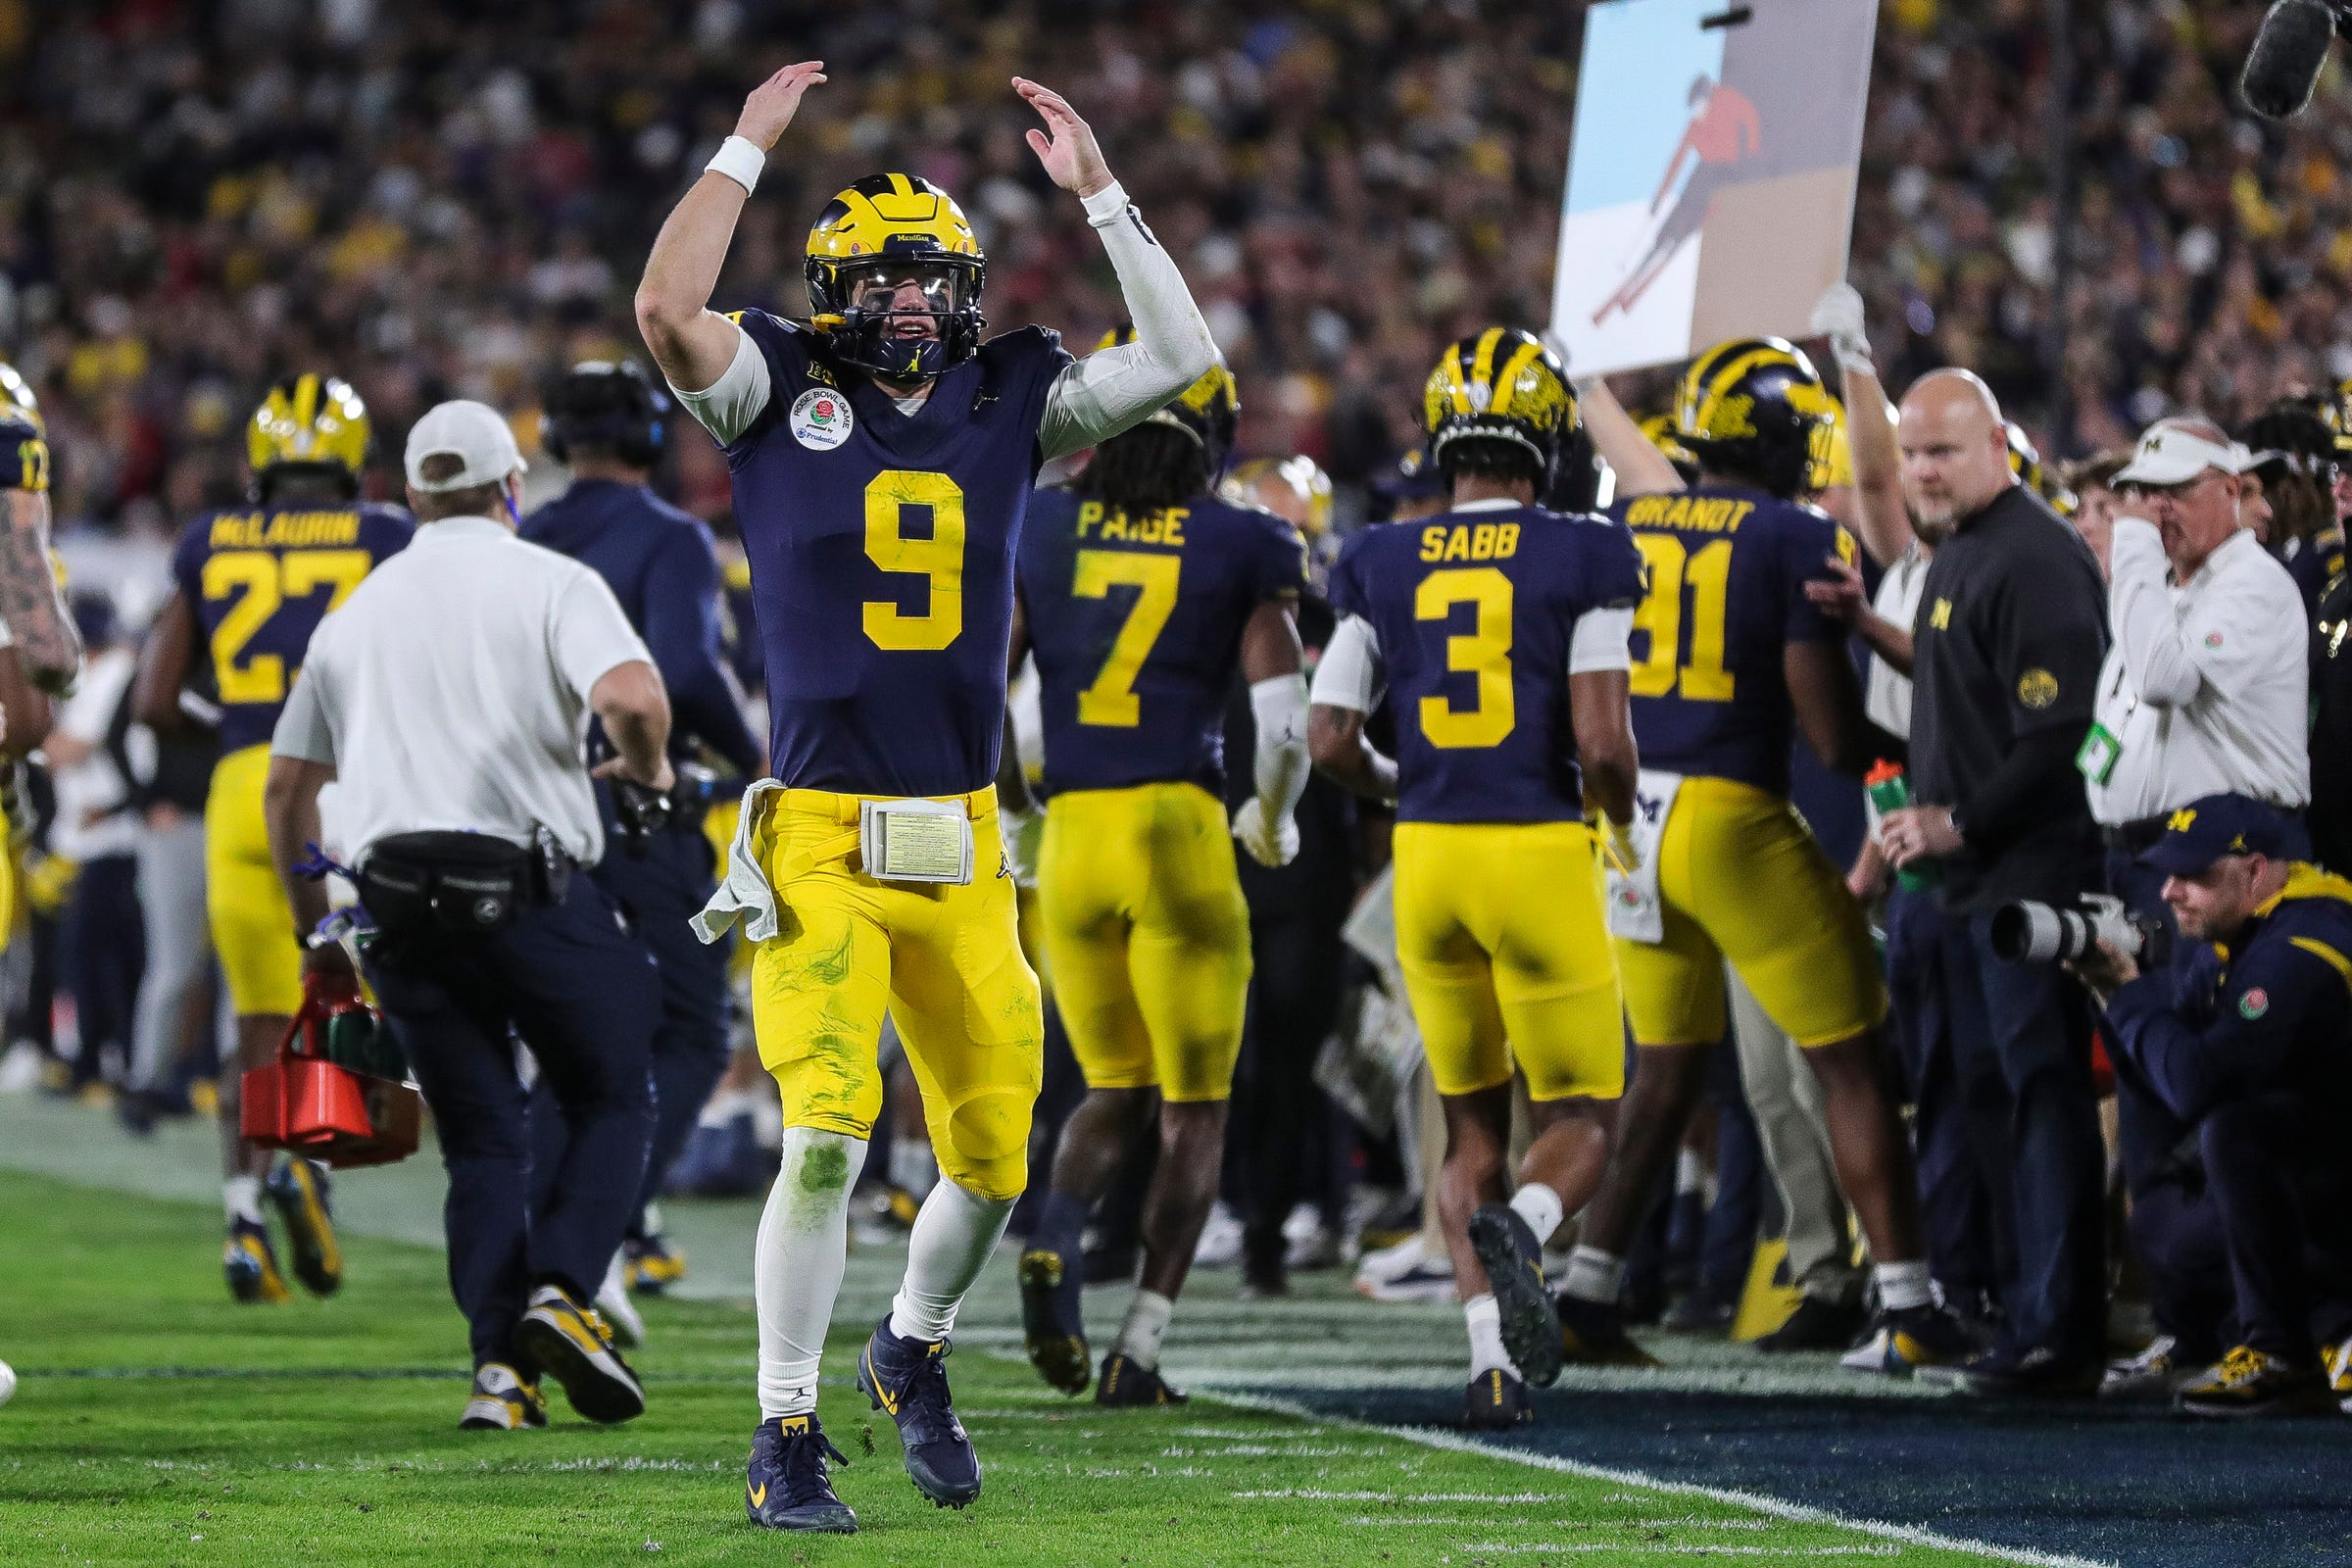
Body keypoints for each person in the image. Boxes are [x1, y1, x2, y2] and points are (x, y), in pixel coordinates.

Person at [634, 63, 1216, 1532]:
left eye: (931, 278)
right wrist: (744, 147)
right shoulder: (775, 387)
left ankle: (911, 1347)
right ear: (835, 291)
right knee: (827, 1132)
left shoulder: (1017, 397)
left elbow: (1182, 353)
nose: (908, 302)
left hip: (963, 840)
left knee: (995, 1159)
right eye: (884, 280)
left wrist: (1101, 192)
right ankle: (783, 1427)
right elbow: (662, 312)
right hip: (820, 836)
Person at [1554, 336, 1959, 1376]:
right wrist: (1923, 745)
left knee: (1666, 1068)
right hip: (1731, 814)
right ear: (1786, 439)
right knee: (1851, 1057)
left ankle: (1588, 1288)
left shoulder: (1629, 519)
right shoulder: (1792, 537)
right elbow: (1827, 736)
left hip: (1630, 821)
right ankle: (1909, 1298)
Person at [264, 399, 669, 1433]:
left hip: (394, 901)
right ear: (510, 489)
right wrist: (650, 770)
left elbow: (288, 791)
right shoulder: (551, 580)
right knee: (614, 1088)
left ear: (408, 494)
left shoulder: (354, 611)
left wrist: (319, 932)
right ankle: (566, 1292)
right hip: (526, 884)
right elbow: (634, 698)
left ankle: (499, 1373)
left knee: (484, 1140)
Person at [1309, 327, 1644, 1428]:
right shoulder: (1589, 552)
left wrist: (1406, 786)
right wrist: (1618, 824)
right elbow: (1602, 744)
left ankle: (1489, 1363)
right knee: (1587, 1114)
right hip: (1541, 848)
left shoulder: (1378, 556)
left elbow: (1326, 739)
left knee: (1470, 1133)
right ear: (1546, 441)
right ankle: (1532, 1229)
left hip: (1431, 857)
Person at [1008, 342, 1309, 1404]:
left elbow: (989, 688)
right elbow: (1281, 723)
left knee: (1110, 1088)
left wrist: (1011, 803)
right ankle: (1141, 1346)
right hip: (1180, 824)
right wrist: (1270, 818)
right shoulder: (1243, 538)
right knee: (1195, 1106)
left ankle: (1053, 1233)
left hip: (1075, 837)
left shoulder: (1038, 523)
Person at [133, 374, 412, 1301]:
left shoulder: (209, 539)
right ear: (349, 462)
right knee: (341, 994)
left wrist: (231, 724)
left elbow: (152, 700)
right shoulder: (383, 536)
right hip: (340, 782)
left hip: (240, 780)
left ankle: (243, 1222)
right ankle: (313, 1166)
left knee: (255, 1025)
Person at [1878, 368, 2112, 1396]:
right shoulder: (1964, 550)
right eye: (1913, 453)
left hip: (2031, 875)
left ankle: (2061, 1329)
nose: (1924, 470)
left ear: (1999, 448)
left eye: (1943, 451)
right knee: (1991, 1101)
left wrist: (1959, 818)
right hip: (1972, 880)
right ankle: (2026, 1316)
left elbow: (2059, 736)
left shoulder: (2032, 558)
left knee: (2040, 1097)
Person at [521, 358, 764, 1328]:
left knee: (569, 1038)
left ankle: (550, 1237)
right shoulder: (669, 537)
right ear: (652, 434)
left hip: (536, 811)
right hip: (634, 802)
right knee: (693, 1030)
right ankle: (597, 1230)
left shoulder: (527, 534)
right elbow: (687, 670)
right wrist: (751, 760)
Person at [1805, 286, 2000, 1339]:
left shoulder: (1997, 567)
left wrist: (1870, 632)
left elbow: (1952, 678)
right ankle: (1949, 1291)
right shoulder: (1925, 559)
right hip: (1907, 830)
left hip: (1965, 840)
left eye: (1943, 456)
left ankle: (1983, 1290)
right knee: (1932, 1079)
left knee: (1975, 1083)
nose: (1915, 479)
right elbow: (1875, 478)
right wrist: (1854, 360)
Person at [2073, 795, 2352, 1417]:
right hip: (2312, 1181)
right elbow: (2166, 1076)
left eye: (2193, 876)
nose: (2169, 892)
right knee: (2164, 1224)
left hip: (2332, 1192)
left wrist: (2127, 995)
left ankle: (2293, 1346)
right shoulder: (2231, 938)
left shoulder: (2304, 945)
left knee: (2235, 1130)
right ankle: (2288, 1334)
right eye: (2168, 874)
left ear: (2256, 872)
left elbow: (2197, 1082)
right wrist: (2115, 999)